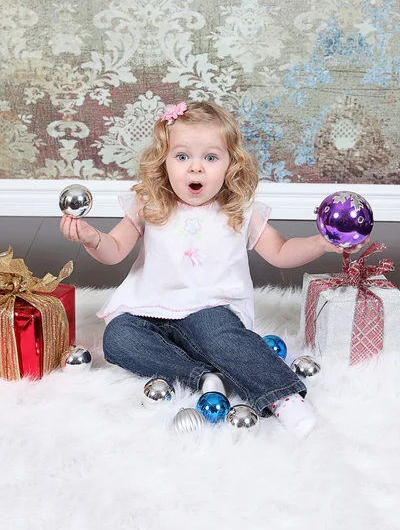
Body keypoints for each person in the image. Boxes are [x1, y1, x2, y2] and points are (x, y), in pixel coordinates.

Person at [60, 101, 367, 437]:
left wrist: (320, 243)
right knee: (118, 337)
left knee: (223, 338)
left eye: (210, 157)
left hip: (210, 310)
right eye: (182, 157)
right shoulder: (150, 205)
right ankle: (203, 376)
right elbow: (114, 251)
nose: (196, 168)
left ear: (230, 165)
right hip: (150, 309)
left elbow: (280, 252)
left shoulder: (239, 210)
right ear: (163, 162)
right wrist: (91, 238)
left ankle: (284, 396)